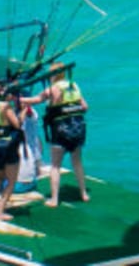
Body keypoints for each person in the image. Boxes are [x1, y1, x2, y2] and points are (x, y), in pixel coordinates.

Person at [38, 63, 89, 202]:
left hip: (60, 130)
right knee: (77, 162)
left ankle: (54, 199)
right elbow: (85, 107)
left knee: (55, 165)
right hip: (77, 129)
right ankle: (84, 193)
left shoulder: (53, 88)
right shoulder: (74, 85)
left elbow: (37, 100)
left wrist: (19, 100)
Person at [0, 79, 30, 214]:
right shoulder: (4, 106)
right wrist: (24, 111)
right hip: (6, 147)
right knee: (11, 181)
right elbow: (17, 124)